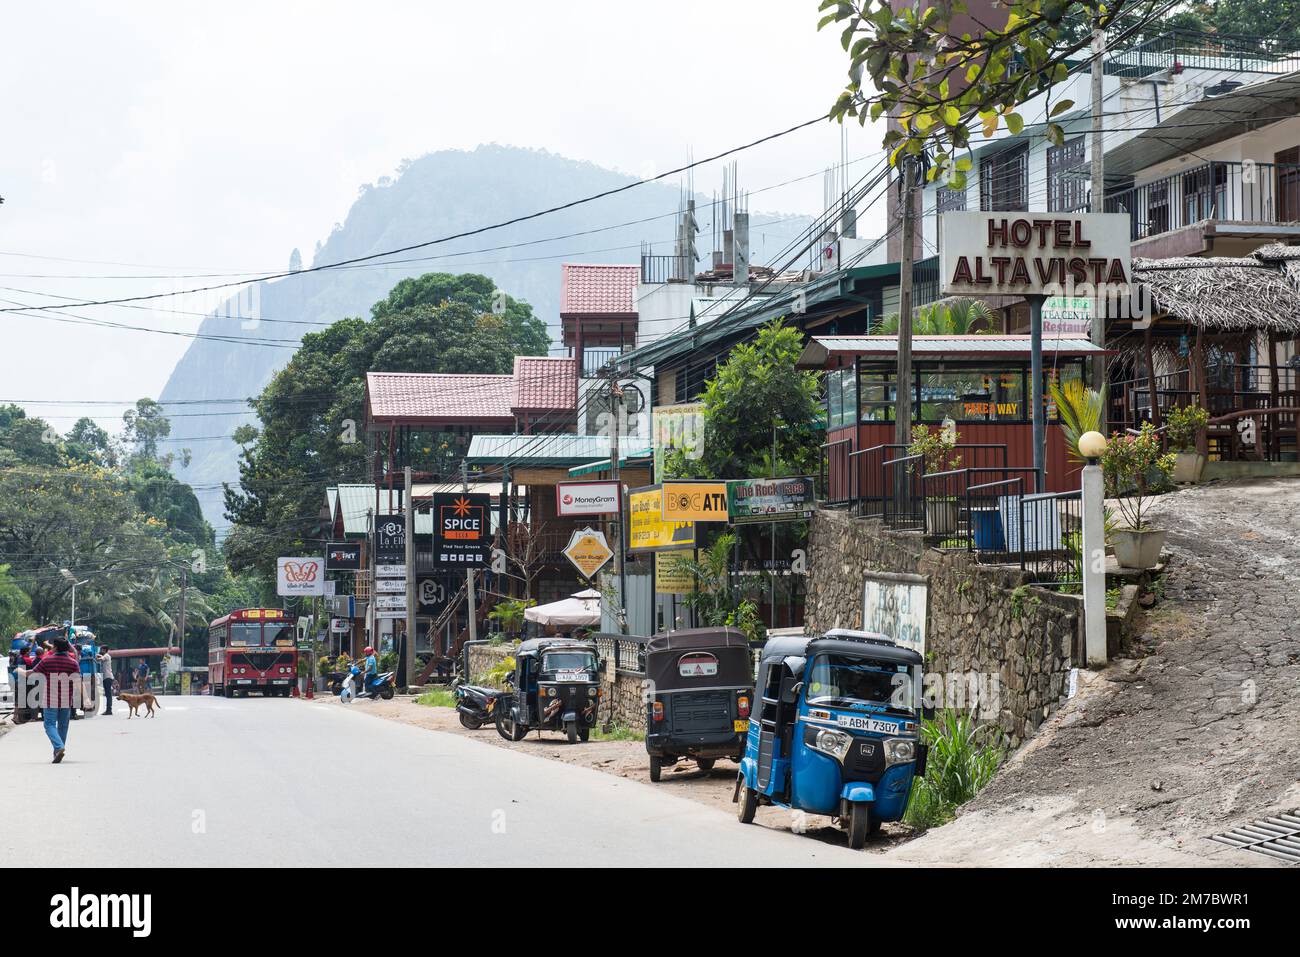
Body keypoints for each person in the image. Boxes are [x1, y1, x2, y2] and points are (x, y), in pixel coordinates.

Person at [26, 636, 80, 763]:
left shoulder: (47, 660)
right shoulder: (73, 662)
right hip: (66, 699)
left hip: (51, 699)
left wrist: (21, 671)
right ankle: (57, 751)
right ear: (67, 648)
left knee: (49, 724)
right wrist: (87, 699)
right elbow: (78, 681)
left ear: (54, 647)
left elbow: (33, 672)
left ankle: (59, 747)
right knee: (63, 725)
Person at [97, 646, 114, 715]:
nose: (101, 651)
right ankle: (108, 709)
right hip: (106, 677)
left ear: (105, 650)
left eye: (101, 649)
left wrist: (95, 655)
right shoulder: (106, 656)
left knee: (108, 694)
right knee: (107, 694)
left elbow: (100, 659)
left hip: (107, 677)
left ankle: (109, 710)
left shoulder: (107, 656)